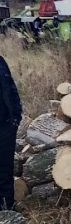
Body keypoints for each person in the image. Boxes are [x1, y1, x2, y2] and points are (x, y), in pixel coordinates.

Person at [0, 56, 22, 210]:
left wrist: (16, 116)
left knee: (5, 171)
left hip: (5, 125)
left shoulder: (0, 61)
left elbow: (11, 88)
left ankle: (7, 209)